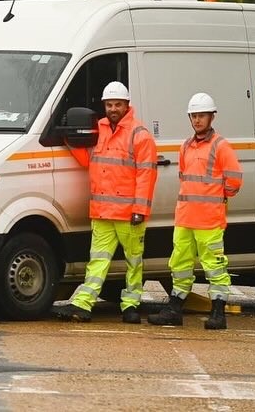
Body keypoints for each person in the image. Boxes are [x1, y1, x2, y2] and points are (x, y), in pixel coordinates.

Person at [52, 81, 158, 324]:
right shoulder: (99, 130)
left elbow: (146, 174)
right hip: (102, 212)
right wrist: (69, 139)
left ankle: (131, 305)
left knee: (134, 262)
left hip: (129, 213)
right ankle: (83, 304)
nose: (113, 109)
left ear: (126, 105)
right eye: (109, 104)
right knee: (97, 261)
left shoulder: (139, 135)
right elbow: (89, 159)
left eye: (117, 104)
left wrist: (140, 209)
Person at [148, 92, 242, 329]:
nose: (197, 120)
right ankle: (175, 308)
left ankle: (218, 313)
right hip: (185, 218)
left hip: (209, 221)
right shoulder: (186, 146)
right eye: (194, 116)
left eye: (202, 115)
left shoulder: (221, 146)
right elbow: (185, 178)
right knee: (179, 264)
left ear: (212, 117)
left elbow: (235, 180)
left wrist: (218, 197)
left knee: (215, 266)